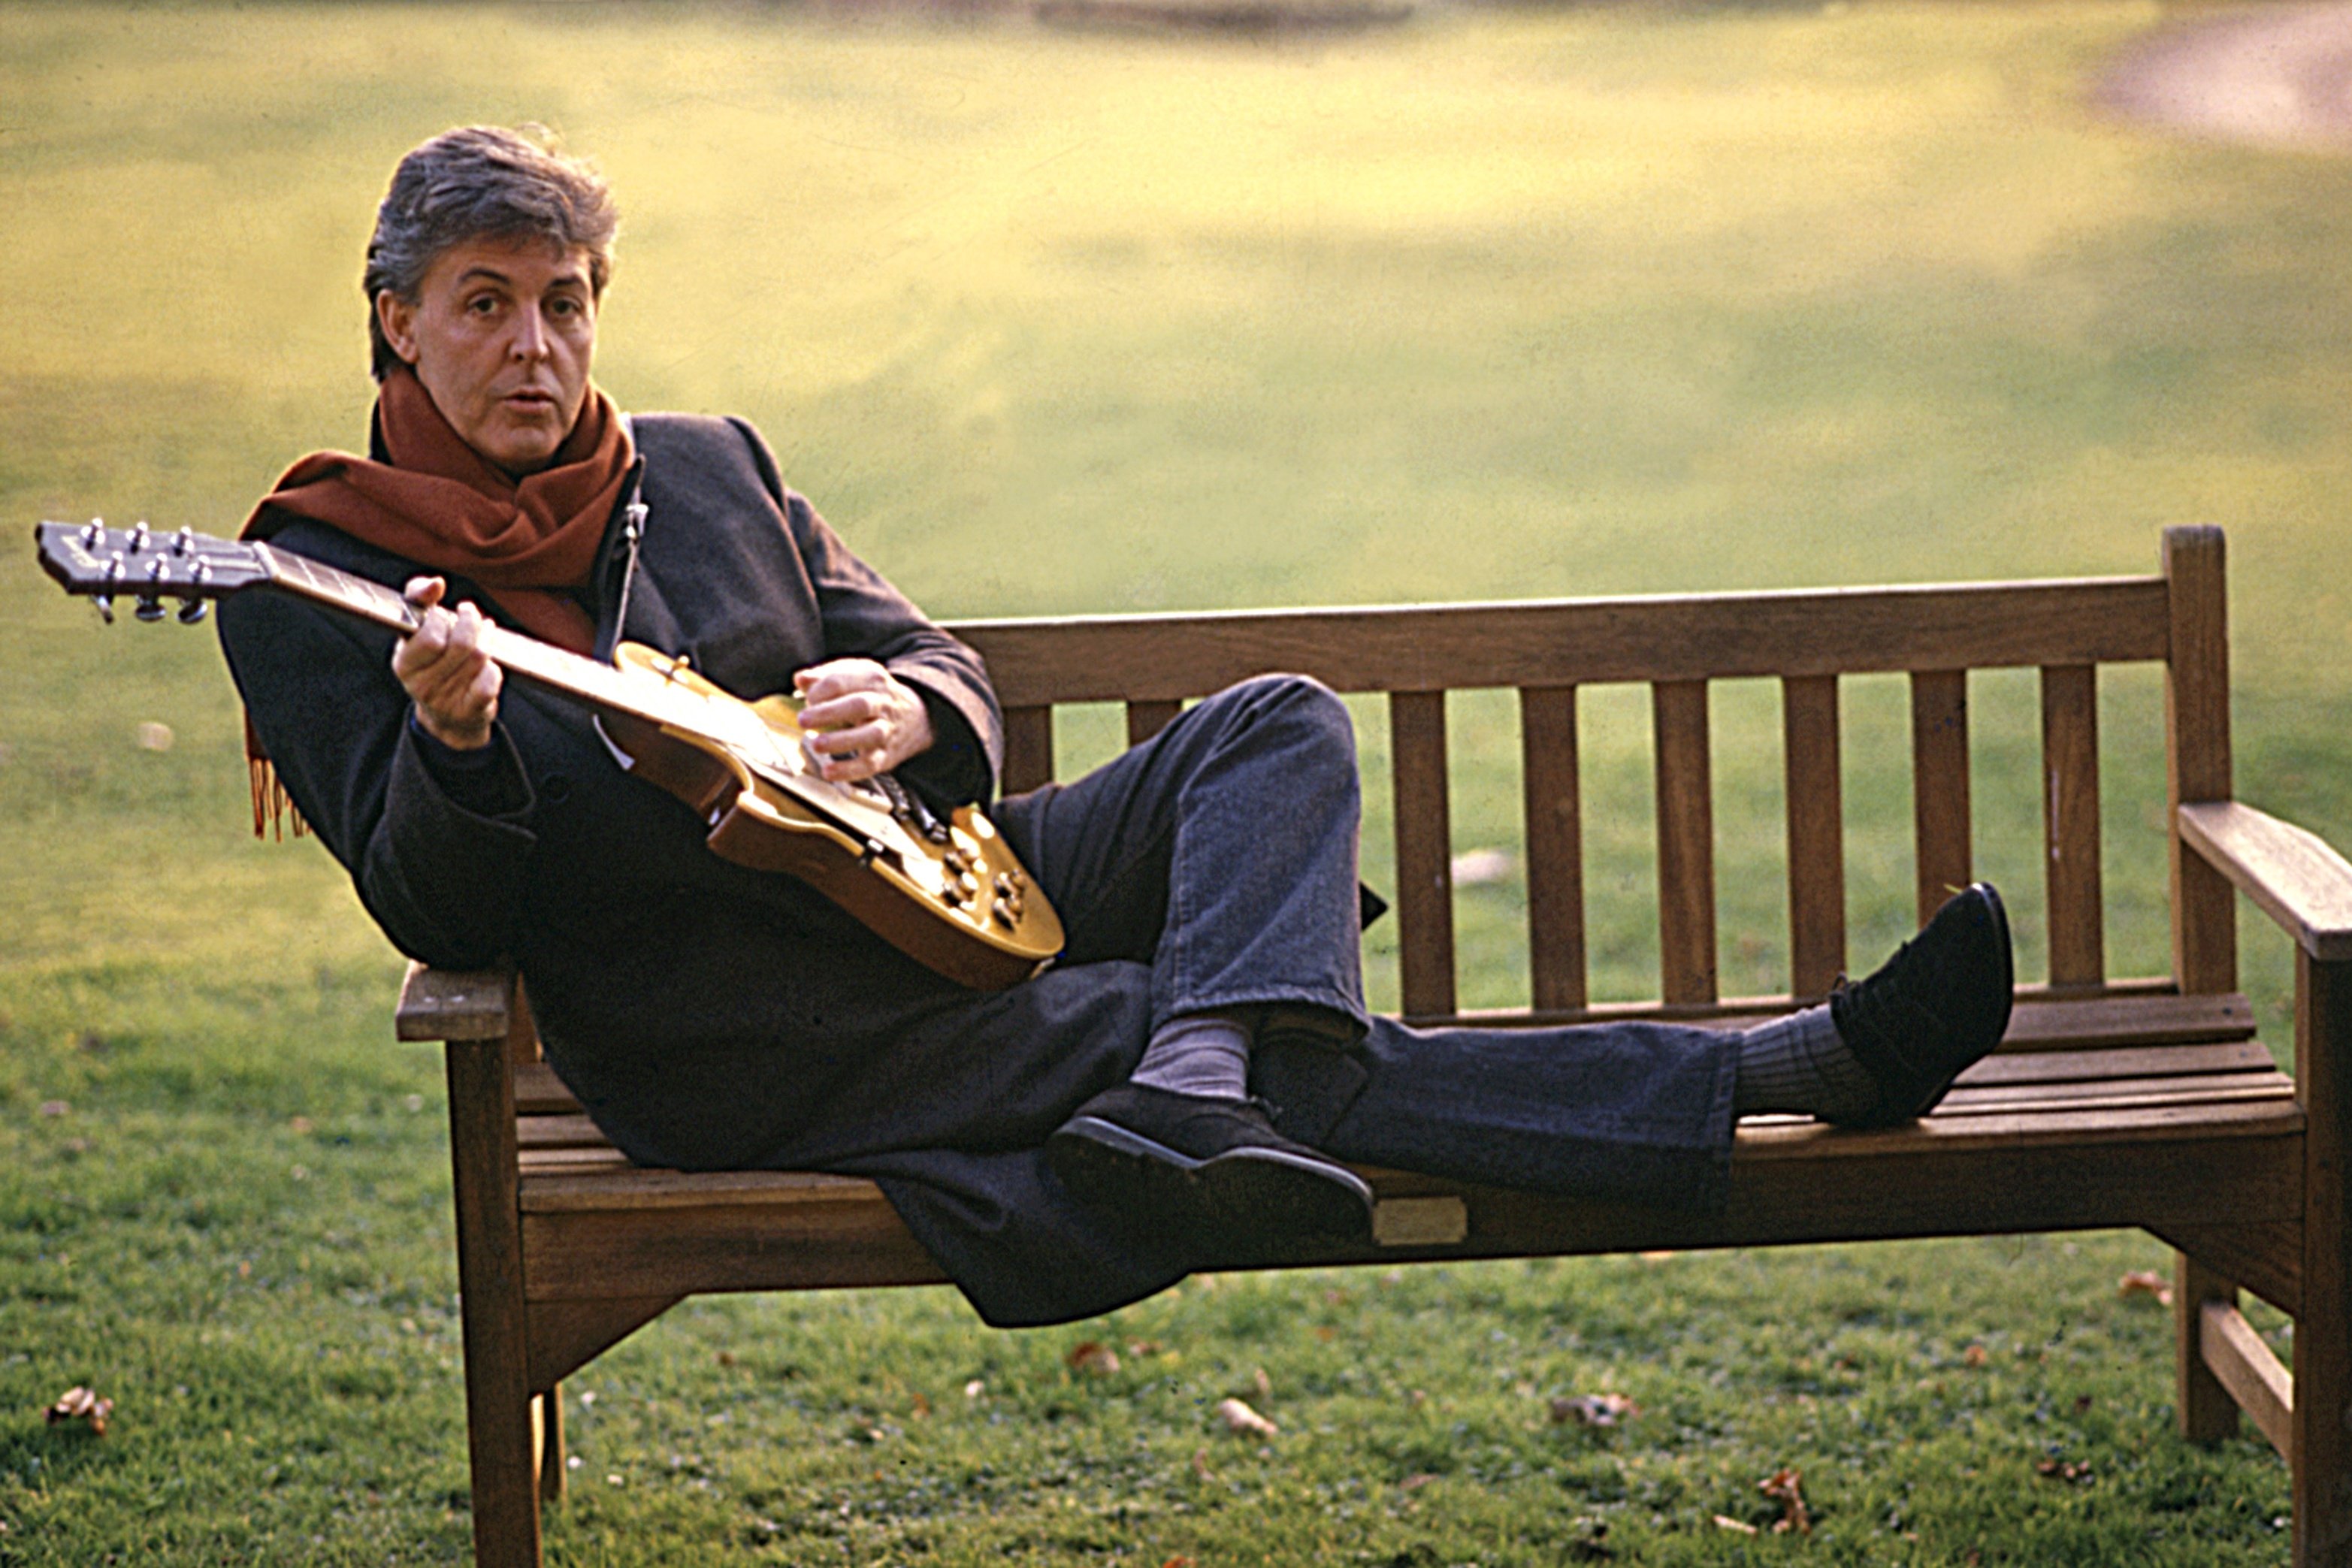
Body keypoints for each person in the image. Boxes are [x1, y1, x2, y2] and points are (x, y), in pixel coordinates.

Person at [217, 126, 2015, 1328]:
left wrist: (900, 704)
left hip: (926, 873)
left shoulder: (700, 466)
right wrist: (454, 740)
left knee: (1271, 729)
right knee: (1244, 1027)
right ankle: (1793, 1075)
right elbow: (439, 909)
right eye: (488, 305)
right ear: (398, 320)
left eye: (566, 305)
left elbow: (925, 651)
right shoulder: (322, 576)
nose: (539, 348)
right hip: (743, 1029)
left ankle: (1192, 1086)